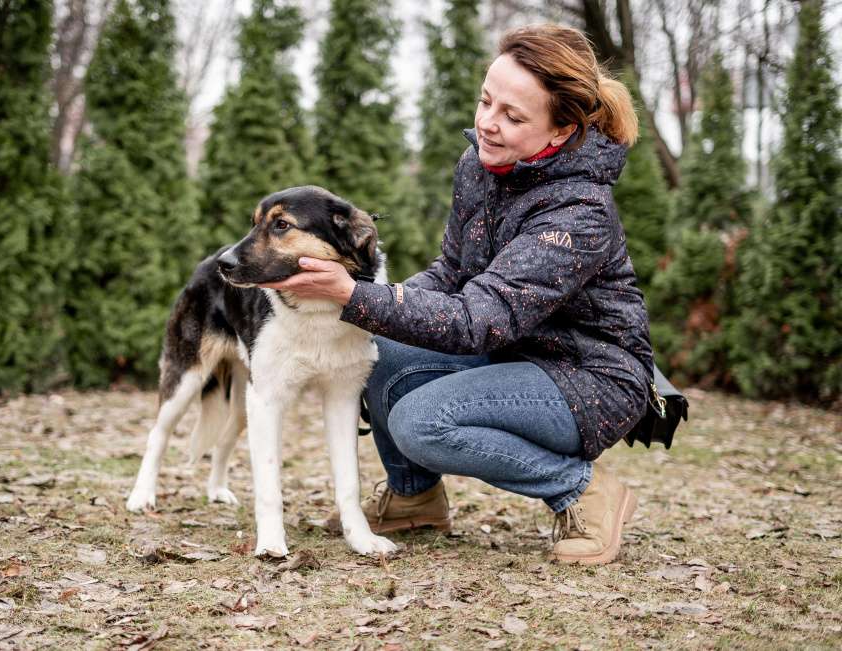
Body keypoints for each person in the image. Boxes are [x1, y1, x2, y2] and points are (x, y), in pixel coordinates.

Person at [260, 23, 654, 565]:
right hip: (510, 351)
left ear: (560, 132)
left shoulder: (578, 213)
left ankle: (579, 488)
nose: (487, 124)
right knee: (370, 346)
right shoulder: (479, 167)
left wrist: (355, 296)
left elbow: (478, 319)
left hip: (587, 377)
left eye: (513, 117)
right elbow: (450, 273)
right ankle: (413, 495)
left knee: (422, 422)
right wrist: (365, 305)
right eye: (486, 101)